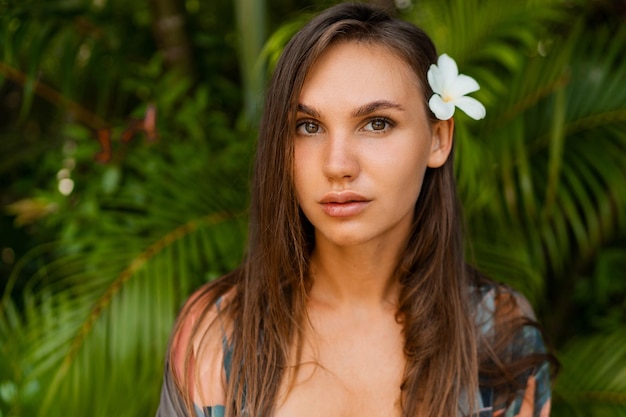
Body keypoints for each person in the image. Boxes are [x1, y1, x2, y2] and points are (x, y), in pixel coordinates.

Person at [156, 3, 554, 417]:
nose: (337, 165)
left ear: (438, 138)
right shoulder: (219, 330)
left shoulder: (497, 335)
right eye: (308, 127)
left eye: (377, 123)